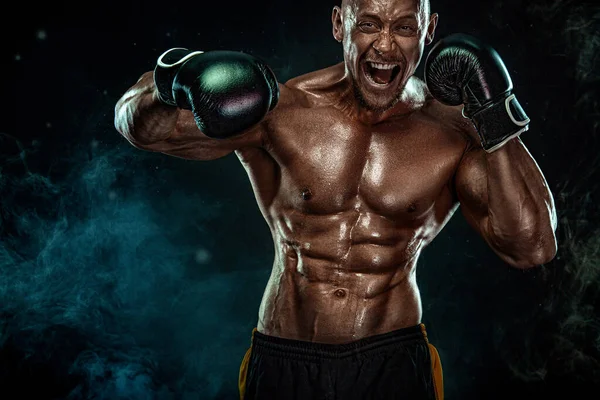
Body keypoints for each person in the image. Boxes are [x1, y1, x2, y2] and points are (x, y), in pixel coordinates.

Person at [114, 0, 558, 398]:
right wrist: (179, 77)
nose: (385, 45)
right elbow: (139, 128)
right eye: (369, 23)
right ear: (338, 23)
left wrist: (495, 112)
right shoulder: (281, 109)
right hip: (286, 358)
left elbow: (532, 246)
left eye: (404, 27)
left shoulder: (454, 130)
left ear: (429, 29)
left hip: (393, 361)